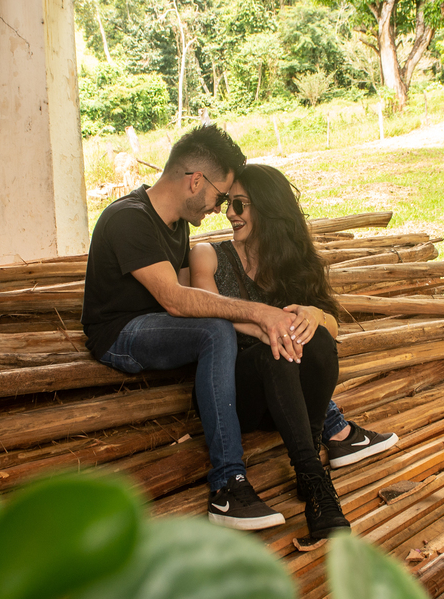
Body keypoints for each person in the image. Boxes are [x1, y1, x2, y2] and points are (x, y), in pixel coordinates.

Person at [81, 125, 303, 531]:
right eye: (221, 196)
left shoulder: (176, 224)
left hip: (160, 326)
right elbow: (176, 300)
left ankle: (332, 423)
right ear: (196, 181)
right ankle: (227, 487)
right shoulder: (128, 219)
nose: (220, 209)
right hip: (118, 334)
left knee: (234, 328)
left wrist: (258, 326)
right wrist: (257, 313)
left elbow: (193, 297)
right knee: (216, 330)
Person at [188, 164, 396, 541]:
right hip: (239, 395)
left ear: (268, 207)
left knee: (317, 339)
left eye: (240, 204)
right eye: (228, 203)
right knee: (275, 351)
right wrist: (265, 324)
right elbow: (208, 309)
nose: (230, 213)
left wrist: (316, 315)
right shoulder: (208, 255)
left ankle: (314, 451)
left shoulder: (293, 261)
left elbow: (332, 328)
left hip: (290, 401)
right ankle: (314, 478)